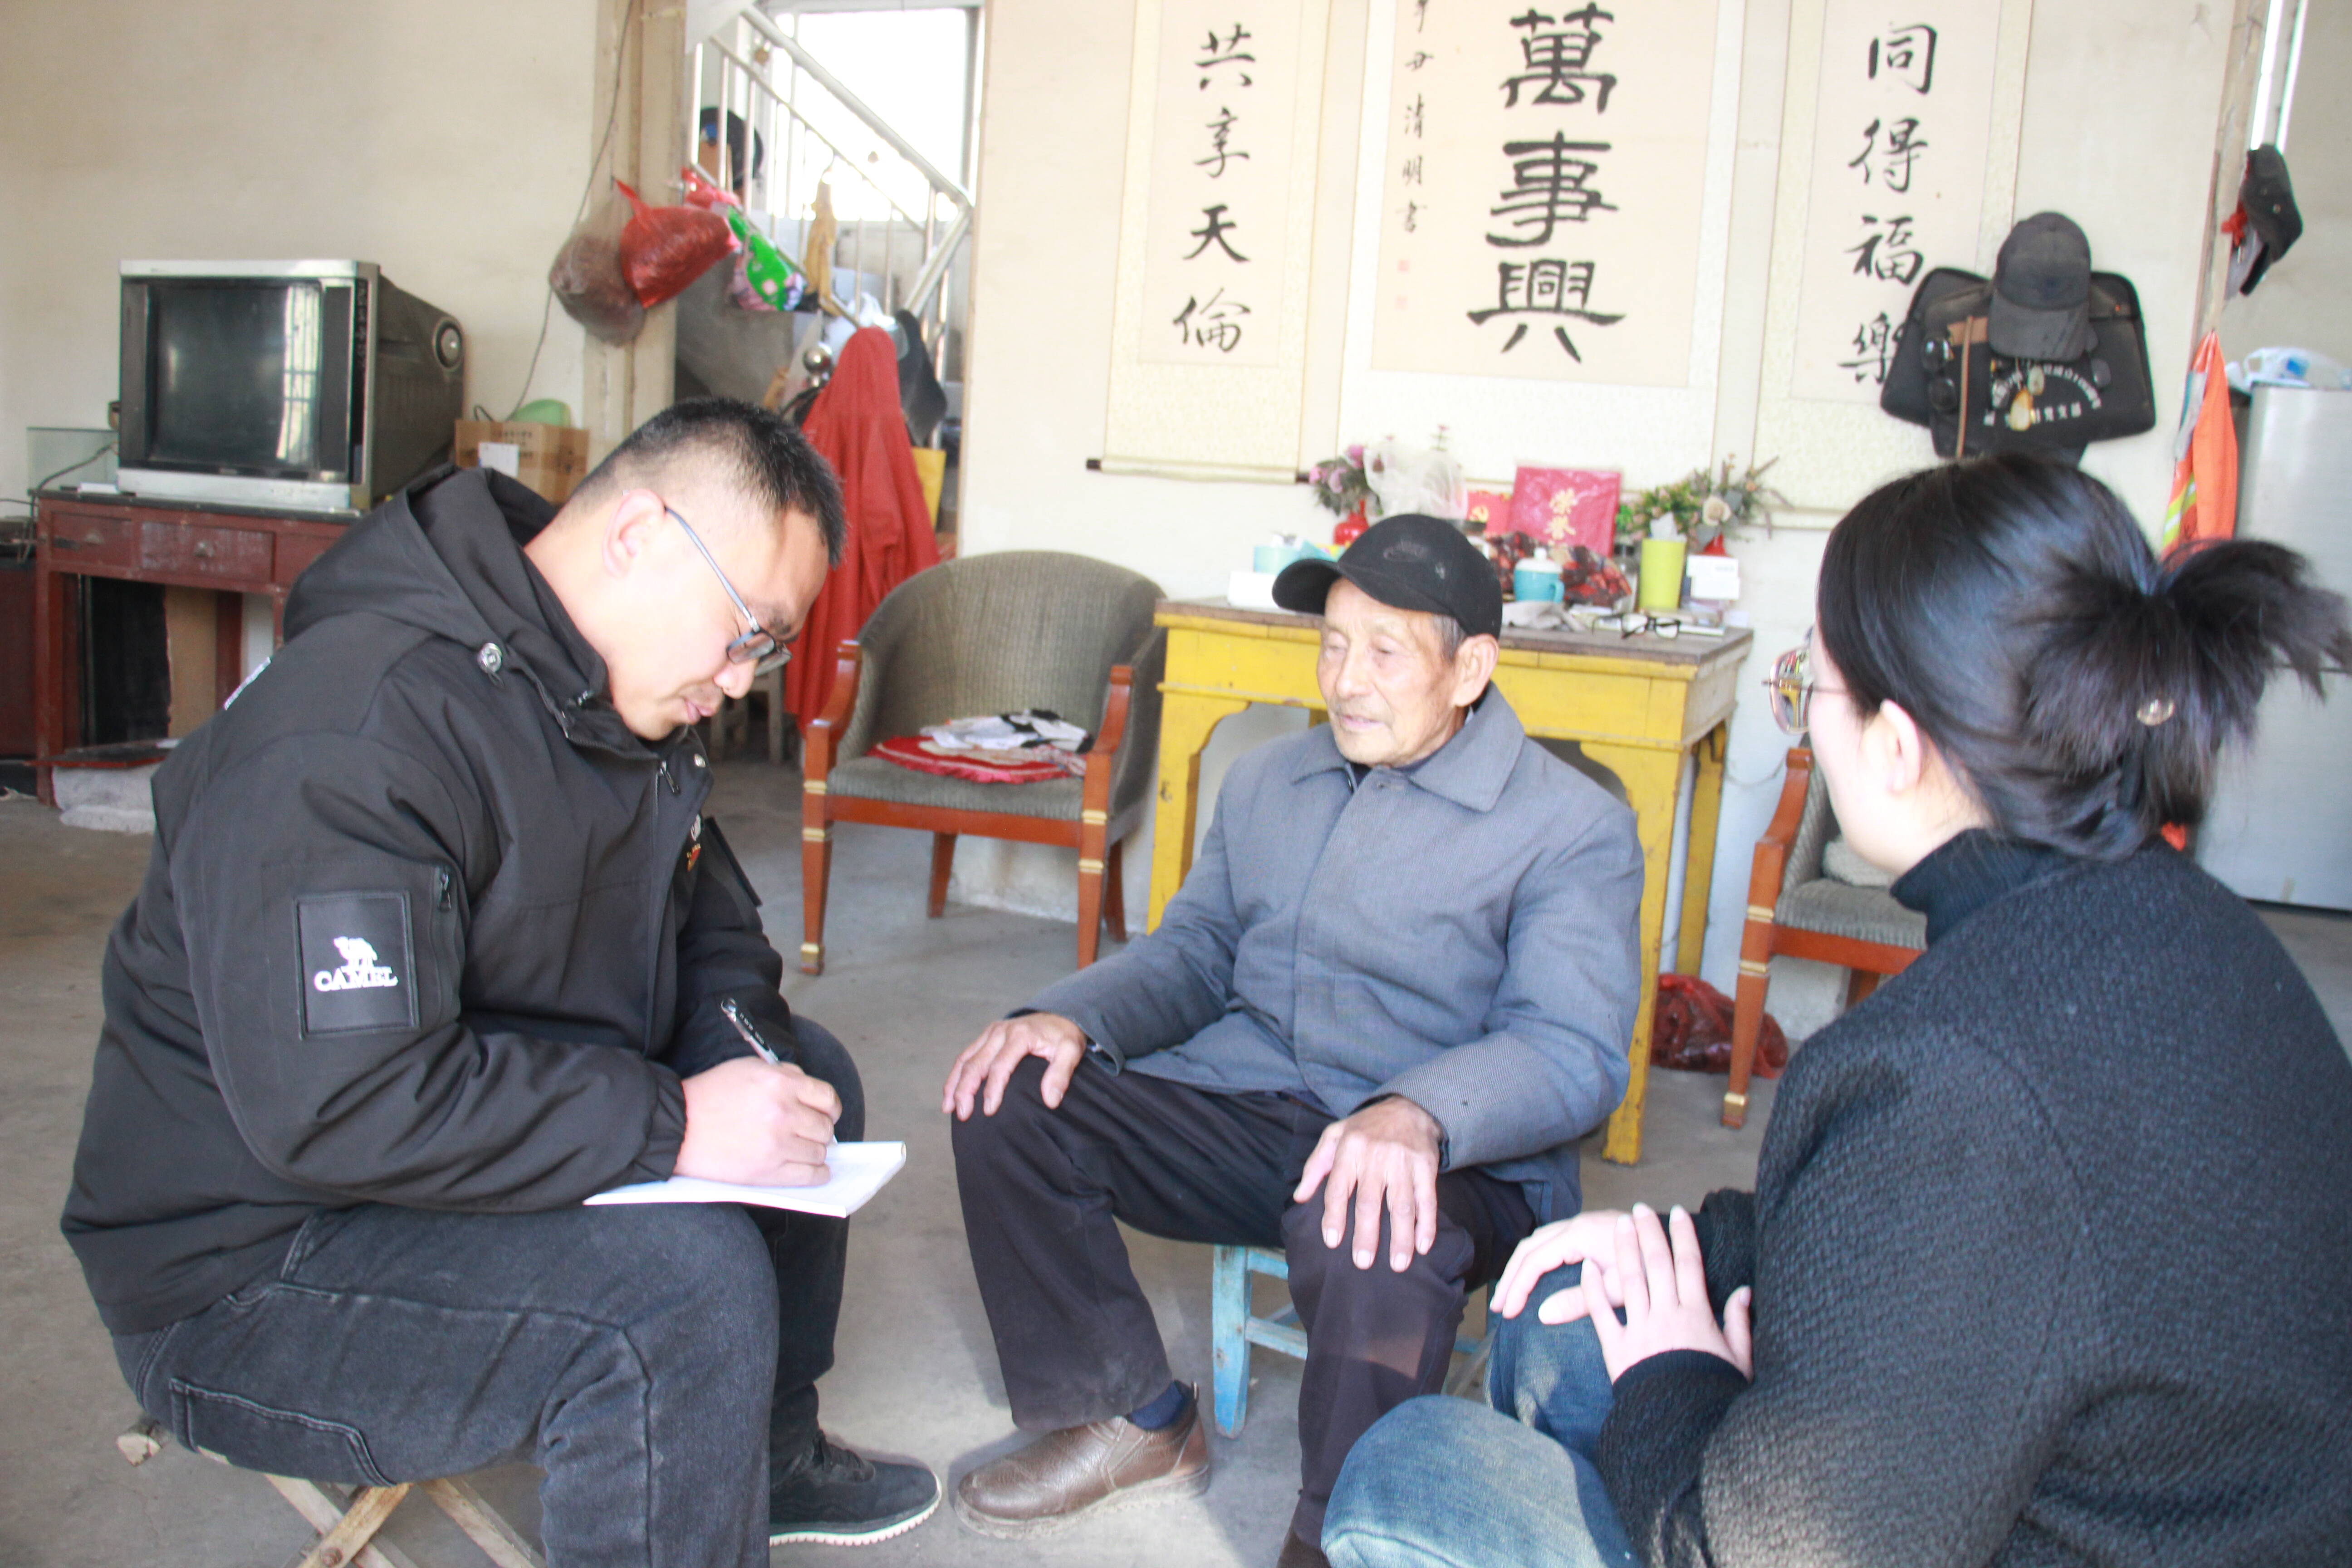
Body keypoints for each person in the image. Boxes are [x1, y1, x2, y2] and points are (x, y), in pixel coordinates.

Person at [1324, 455, 2352, 1568]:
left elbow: (1775, 1545)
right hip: (2112, 1469)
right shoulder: (2190, 925)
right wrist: (1687, 1246)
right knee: (1571, 1300)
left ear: (1896, 745)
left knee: (1412, 1466)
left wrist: (1678, 1373)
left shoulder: (1954, 1071)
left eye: (1803, 690)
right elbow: (1947, 1227)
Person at [62, 399, 940, 1568]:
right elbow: (347, 1102)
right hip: (258, 1268)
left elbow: (713, 925)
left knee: (802, 1082)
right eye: (747, 632)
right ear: (640, 534)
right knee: (679, 1296)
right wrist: (674, 1124)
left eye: (766, 653)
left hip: (435, 1167)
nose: (741, 682)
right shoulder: (354, 731)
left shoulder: (611, 692)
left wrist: (739, 1060)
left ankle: (758, 1458)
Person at [941, 514, 1645, 1568]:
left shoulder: (1569, 825)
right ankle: (1127, 1417)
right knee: (1011, 1087)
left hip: (1456, 1166)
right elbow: (1194, 956)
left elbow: (1574, 1049)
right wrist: (1066, 1016)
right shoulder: (1271, 781)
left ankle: (1340, 1533)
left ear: (1470, 670)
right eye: (1333, 644)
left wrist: (1418, 1115)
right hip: (1257, 1103)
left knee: (1367, 1216)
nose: (1345, 681)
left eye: (1385, 652)